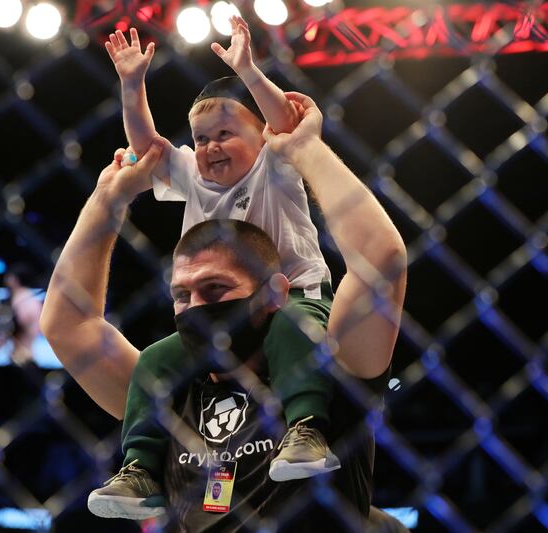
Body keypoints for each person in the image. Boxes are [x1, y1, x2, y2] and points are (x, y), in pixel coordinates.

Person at [41, 92, 407, 531]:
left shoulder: (331, 360)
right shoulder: (168, 389)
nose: (195, 307)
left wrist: (303, 148)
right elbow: (68, 323)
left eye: (215, 289)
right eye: (182, 295)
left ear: (274, 293)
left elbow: (380, 260)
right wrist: (108, 200)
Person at [104, 16, 341, 506]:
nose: (211, 146)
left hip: (293, 296)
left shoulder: (274, 163)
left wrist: (250, 72)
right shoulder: (192, 173)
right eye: (202, 137)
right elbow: (146, 149)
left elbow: (285, 122)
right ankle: (139, 469)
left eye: (225, 133)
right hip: (220, 310)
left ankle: (307, 431)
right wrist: (132, 85)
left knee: (293, 328)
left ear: (260, 138)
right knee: (154, 358)